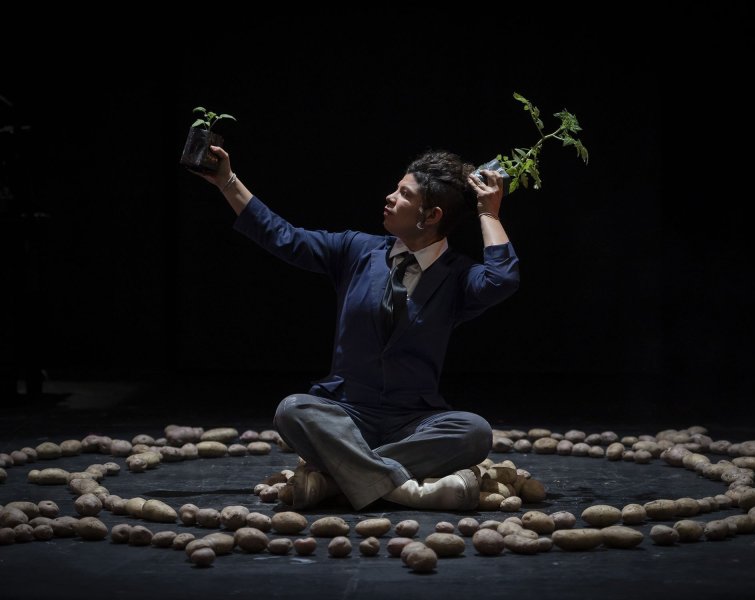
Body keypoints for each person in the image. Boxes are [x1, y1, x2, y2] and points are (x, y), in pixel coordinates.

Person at [197, 146, 519, 511]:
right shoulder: (357, 250)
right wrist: (227, 181)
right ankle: (405, 490)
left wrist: (487, 213)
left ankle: (337, 477)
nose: (390, 197)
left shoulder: (458, 276)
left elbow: (501, 278)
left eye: (404, 194)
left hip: (413, 420)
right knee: (293, 410)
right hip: (346, 414)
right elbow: (283, 237)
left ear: (431, 216)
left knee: (474, 432)